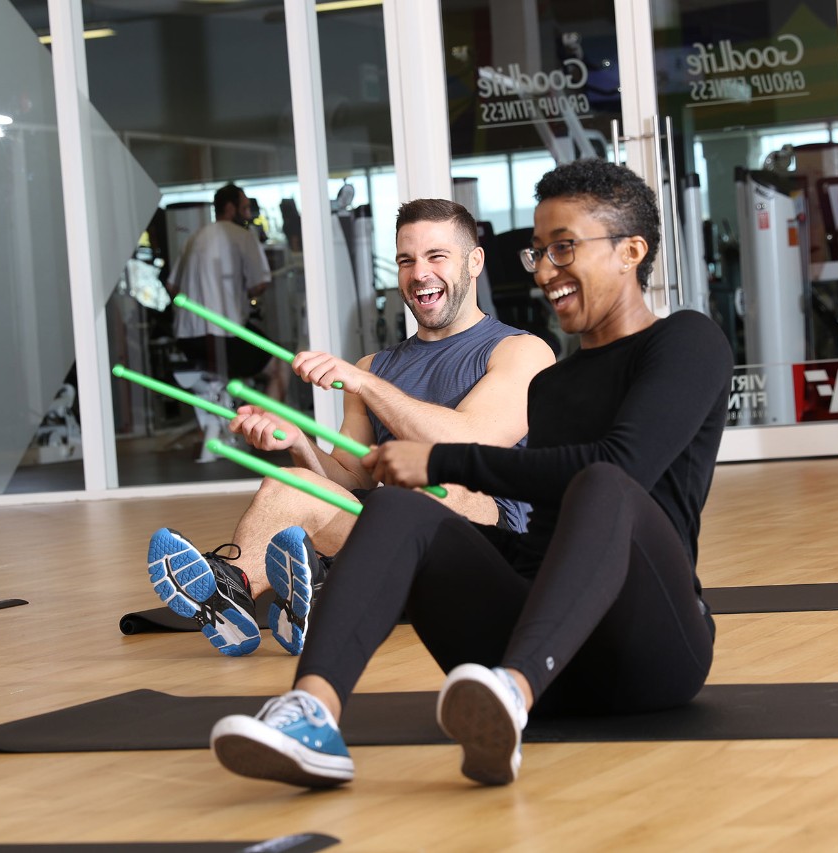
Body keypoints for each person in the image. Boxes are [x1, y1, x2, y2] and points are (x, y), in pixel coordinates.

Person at [207, 159, 734, 789]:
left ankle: (511, 694)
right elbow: (535, 527)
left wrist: (441, 459)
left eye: (564, 248)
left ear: (631, 251)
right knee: (398, 509)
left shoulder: (684, 342)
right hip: (538, 646)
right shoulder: (557, 384)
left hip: (652, 650)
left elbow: (620, 467)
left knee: (600, 483)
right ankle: (311, 713)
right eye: (538, 253)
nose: (545, 271)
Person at [147, 198, 556, 659]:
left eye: (436, 256)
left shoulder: (521, 351)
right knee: (290, 486)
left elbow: (464, 443)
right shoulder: (375, 366)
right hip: (392, 528)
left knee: (434, 481)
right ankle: (233, 591)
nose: (419, 273)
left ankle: (323, 582)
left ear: (474, 261)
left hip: (488, 546)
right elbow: (353, 480)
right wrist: (298, 442)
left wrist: (366, 382)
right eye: (406, 260)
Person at [169, 183, 289, 439]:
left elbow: (171, 286)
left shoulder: (194, 237)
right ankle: (264, 438)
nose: (248, 214)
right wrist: (237, 295)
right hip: (224, 335)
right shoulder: (242, 236)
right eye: (245, 207)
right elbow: (260, 283)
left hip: (187, 338)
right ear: (230, 207)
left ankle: (232, 427)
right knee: (280, 367)